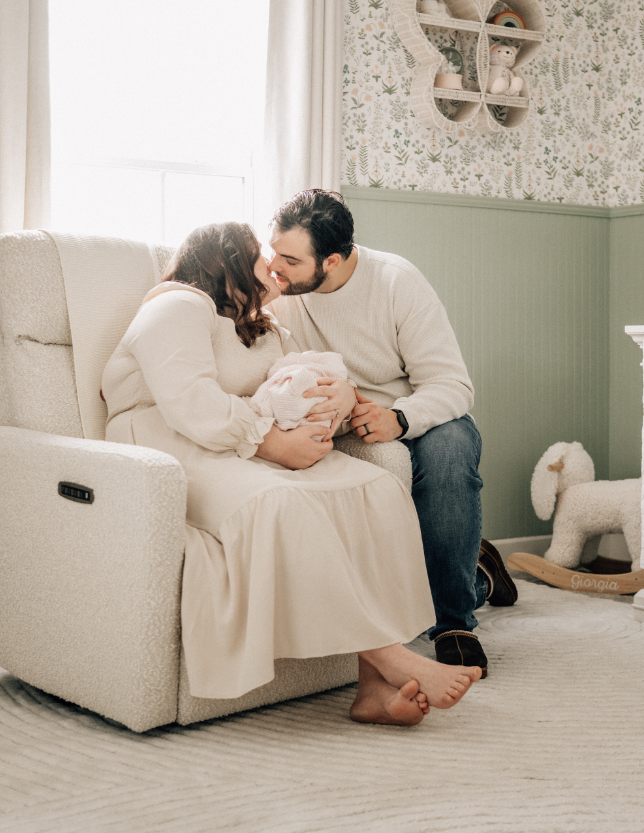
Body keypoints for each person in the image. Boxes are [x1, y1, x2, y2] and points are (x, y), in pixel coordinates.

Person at [101, 222, 481, 725]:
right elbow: (190, 402)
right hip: (165, 443)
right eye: (262, 255)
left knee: (374, 489)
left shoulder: (264, 326)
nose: (273, 265)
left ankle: (371, 690)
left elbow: (295, 385)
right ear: (229, 260)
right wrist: (271, 443)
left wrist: (342, 403)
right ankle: (389, 655)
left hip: (239, 441)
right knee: (280, 502)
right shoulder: (176, 305)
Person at [266, 190, 518, 677]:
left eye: (290, 259)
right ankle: (480, 571)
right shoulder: (283, 292)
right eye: (272, 249)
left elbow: (452, 385)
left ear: (333, 261)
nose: (274, 266)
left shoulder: (396, 282)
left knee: (449, 452)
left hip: (412, 413)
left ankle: (454, 623)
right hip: (341, 417)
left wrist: (398, 418)